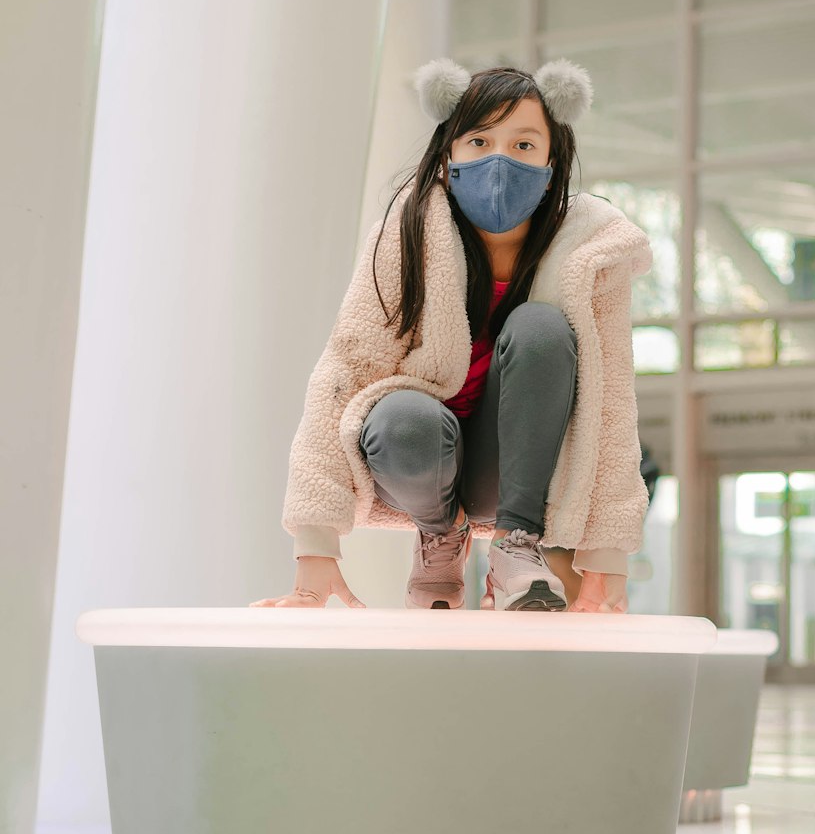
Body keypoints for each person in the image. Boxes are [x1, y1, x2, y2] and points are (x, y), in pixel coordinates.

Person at [251, 56, 654, 614]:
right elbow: (344, 370)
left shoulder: (592, 252)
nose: (499, 161)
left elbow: (611, 403)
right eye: (479, 140)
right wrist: (315, 548)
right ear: (448, 156)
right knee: (402, 417)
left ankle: (517, 546)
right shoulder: (407, 235)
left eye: (523, 146)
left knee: (540, 327)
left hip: (517, 470)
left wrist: (606, 563)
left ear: (553, 160)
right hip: (417, 461)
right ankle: (443, 537)